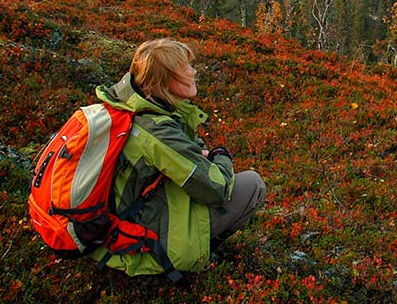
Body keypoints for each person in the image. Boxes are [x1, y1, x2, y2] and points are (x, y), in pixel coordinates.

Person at [91, 38, 266, 276]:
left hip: (114, 223)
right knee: (251, 185)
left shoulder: (129, 107)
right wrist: (220, 155)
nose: (194, 72)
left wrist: (195, 150)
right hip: (136, 239)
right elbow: (216, 187)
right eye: (186, 68)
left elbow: (182, 145)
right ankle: (185, 258)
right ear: (167, 80)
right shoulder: (157, 132)